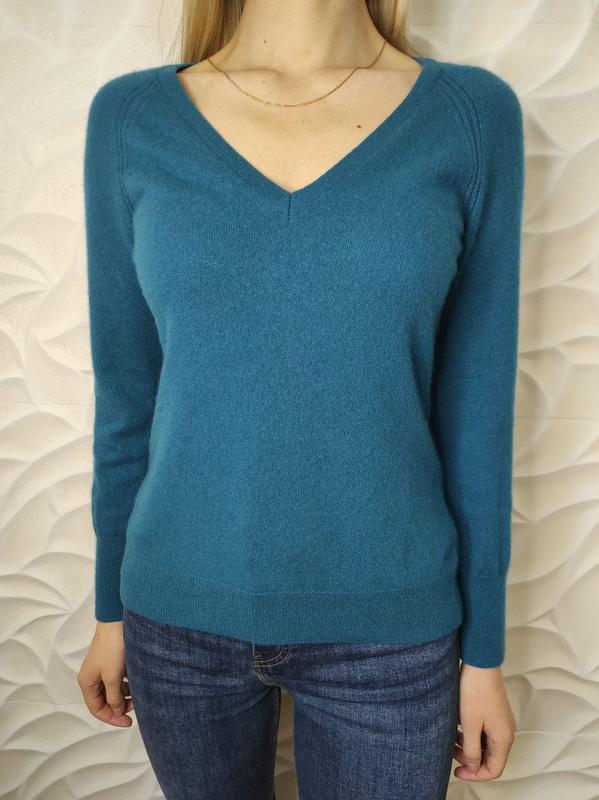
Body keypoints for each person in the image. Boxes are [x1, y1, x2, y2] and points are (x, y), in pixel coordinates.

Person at [77, 0, 524, 797]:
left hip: (392, 632)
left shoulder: (469, 114)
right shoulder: (130, 117)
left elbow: (477, 411)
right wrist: (110, 607)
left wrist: (484, 653)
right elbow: (126, 395)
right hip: (175, 622)